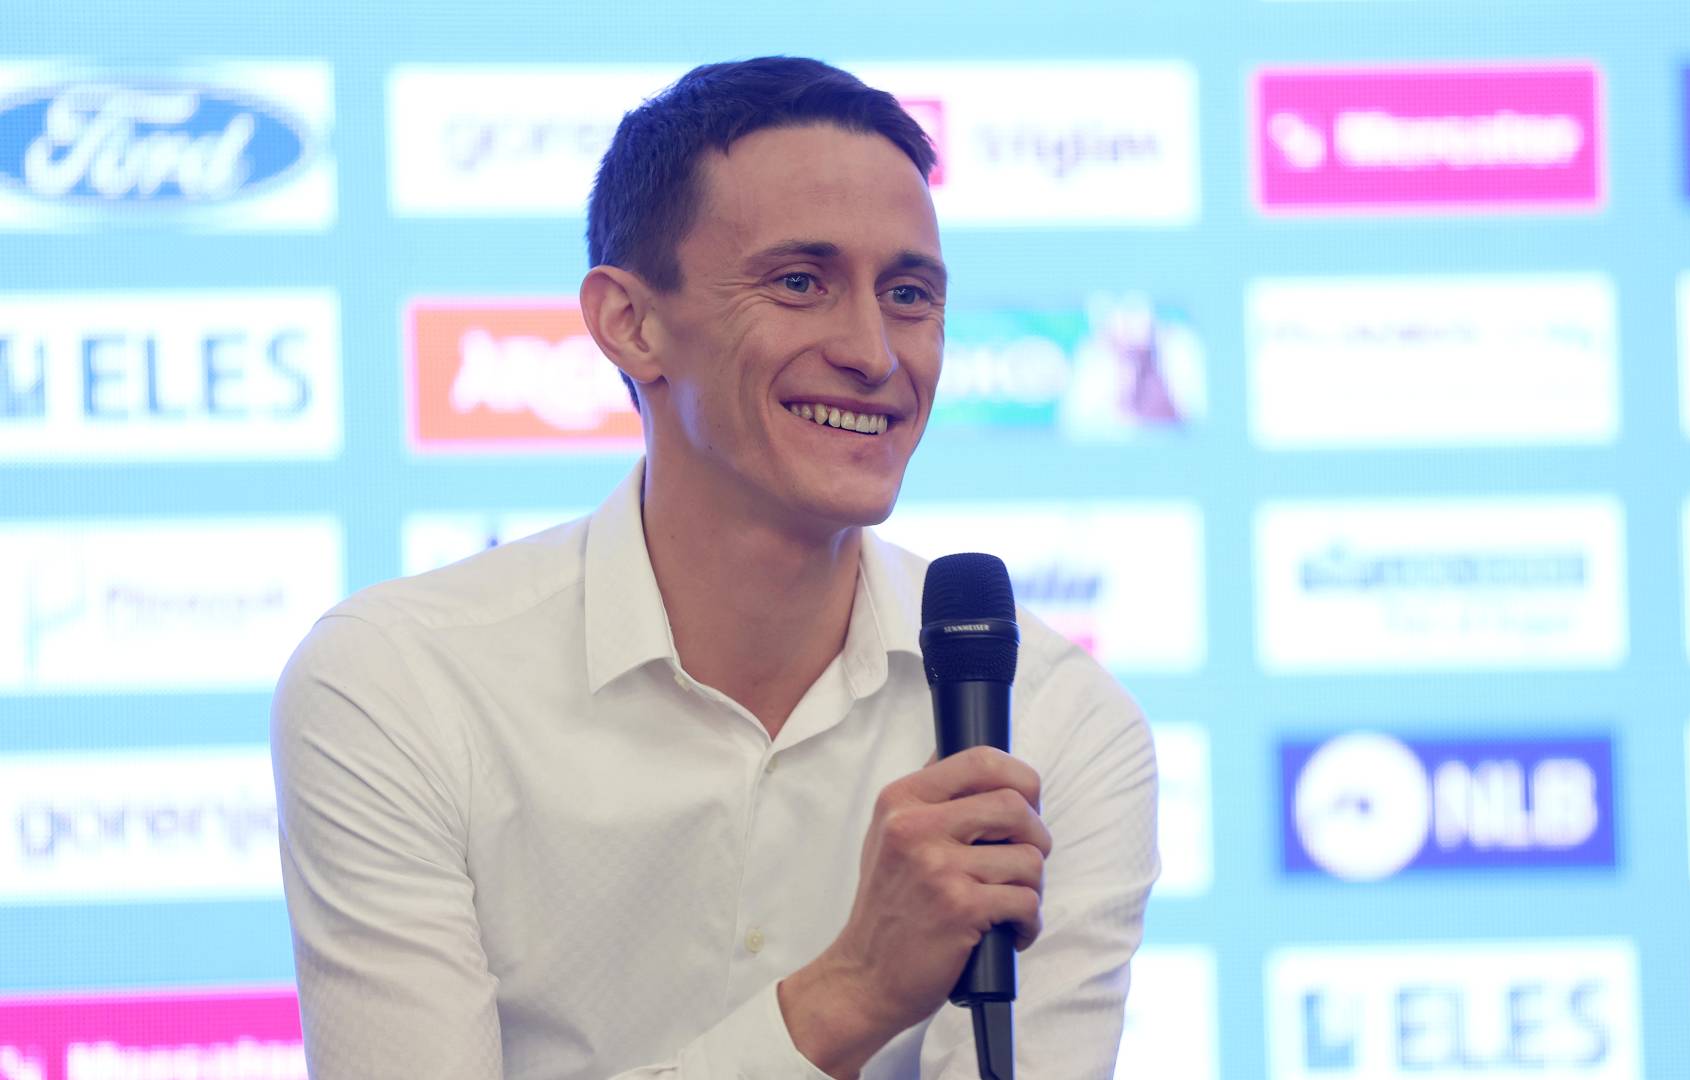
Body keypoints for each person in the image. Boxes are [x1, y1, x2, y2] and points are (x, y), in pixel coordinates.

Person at [271, 56, 1158, 1080]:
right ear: (630, 323)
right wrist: (850, 994)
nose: (874, 352)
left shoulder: (1056, 721)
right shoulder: (398, 684)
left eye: (909, 294)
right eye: (800, 283)